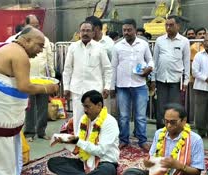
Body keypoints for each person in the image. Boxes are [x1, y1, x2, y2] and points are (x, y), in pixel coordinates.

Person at [0, 26, 59, 175]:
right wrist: (48, 88)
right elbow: (24, 86)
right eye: (39, 45)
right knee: (2, 145)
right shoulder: (20, 55)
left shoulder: (7, 46)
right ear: (27, 40)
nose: (40, 50)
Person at [124, 103, 204, 175]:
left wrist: (179, 166)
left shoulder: (195, 140)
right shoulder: (159, 133)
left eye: (173, 122)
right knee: (130, 173)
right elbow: (152, 158)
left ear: (184, 121)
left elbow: (197, 173)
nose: (169, 125)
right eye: (166, 121)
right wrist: (149, 164)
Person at [47, 90, 119, 175]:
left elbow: (100, 151)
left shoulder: (109, 122)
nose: (85, 110)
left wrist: (78, 141)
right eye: (84, 106)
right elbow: (79, 148)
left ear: (99, 105)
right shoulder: (84, 119)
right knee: (53, 162)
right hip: (85, 163)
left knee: (106, 171)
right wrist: (65, 141)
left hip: (105, 163)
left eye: (88, 107)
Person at [110, 19, 153, 151]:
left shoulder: (143, 45)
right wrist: (112, 86)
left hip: (139, 85)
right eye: (124, 30)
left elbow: (150, 60)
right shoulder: (117, 46)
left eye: (129, 30)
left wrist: (149, 68)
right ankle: (124, 140)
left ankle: (142, 140)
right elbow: (113, 67)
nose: (126, 32)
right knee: (123, 116)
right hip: (122, 86)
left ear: (135, 30)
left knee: (140, 116)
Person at [63, 21, 112, 135]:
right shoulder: (73, 47)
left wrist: (107, 86)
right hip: (77, 89)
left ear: (93, 33)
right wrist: (66, 87)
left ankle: (94, 143)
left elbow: (107, 68)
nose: (85, 33)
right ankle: (78, 145)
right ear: (79, 33)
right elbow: (67, 69)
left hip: (95, 90)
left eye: (88, 31)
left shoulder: (100, 48)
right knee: (78, 119)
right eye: (83, 31)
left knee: (95, 119)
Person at [151, 15, 190, 129]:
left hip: (176, 80)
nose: (168, 27)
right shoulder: (159, 40)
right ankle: (160, 131)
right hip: (161, 79)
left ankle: (174, 130)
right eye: (166, 25)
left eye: (171, 25)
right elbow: (155, 61)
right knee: (161, 107)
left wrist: (186, 81)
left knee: (174, 108)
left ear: (178, 26)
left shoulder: (184, 41)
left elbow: (186, 62)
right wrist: (153, 79)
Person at [23, 14, 56, 142]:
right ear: (26, 25)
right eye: (33, 25)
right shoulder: (20, 39)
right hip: (27, 80)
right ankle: (29, 133)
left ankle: (41, 131)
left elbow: (50, 60)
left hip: (43, 79)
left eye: (37, 25)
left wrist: (52, 78)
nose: (36, 27)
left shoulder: (45, 40)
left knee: (43, 106)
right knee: (29, 107)